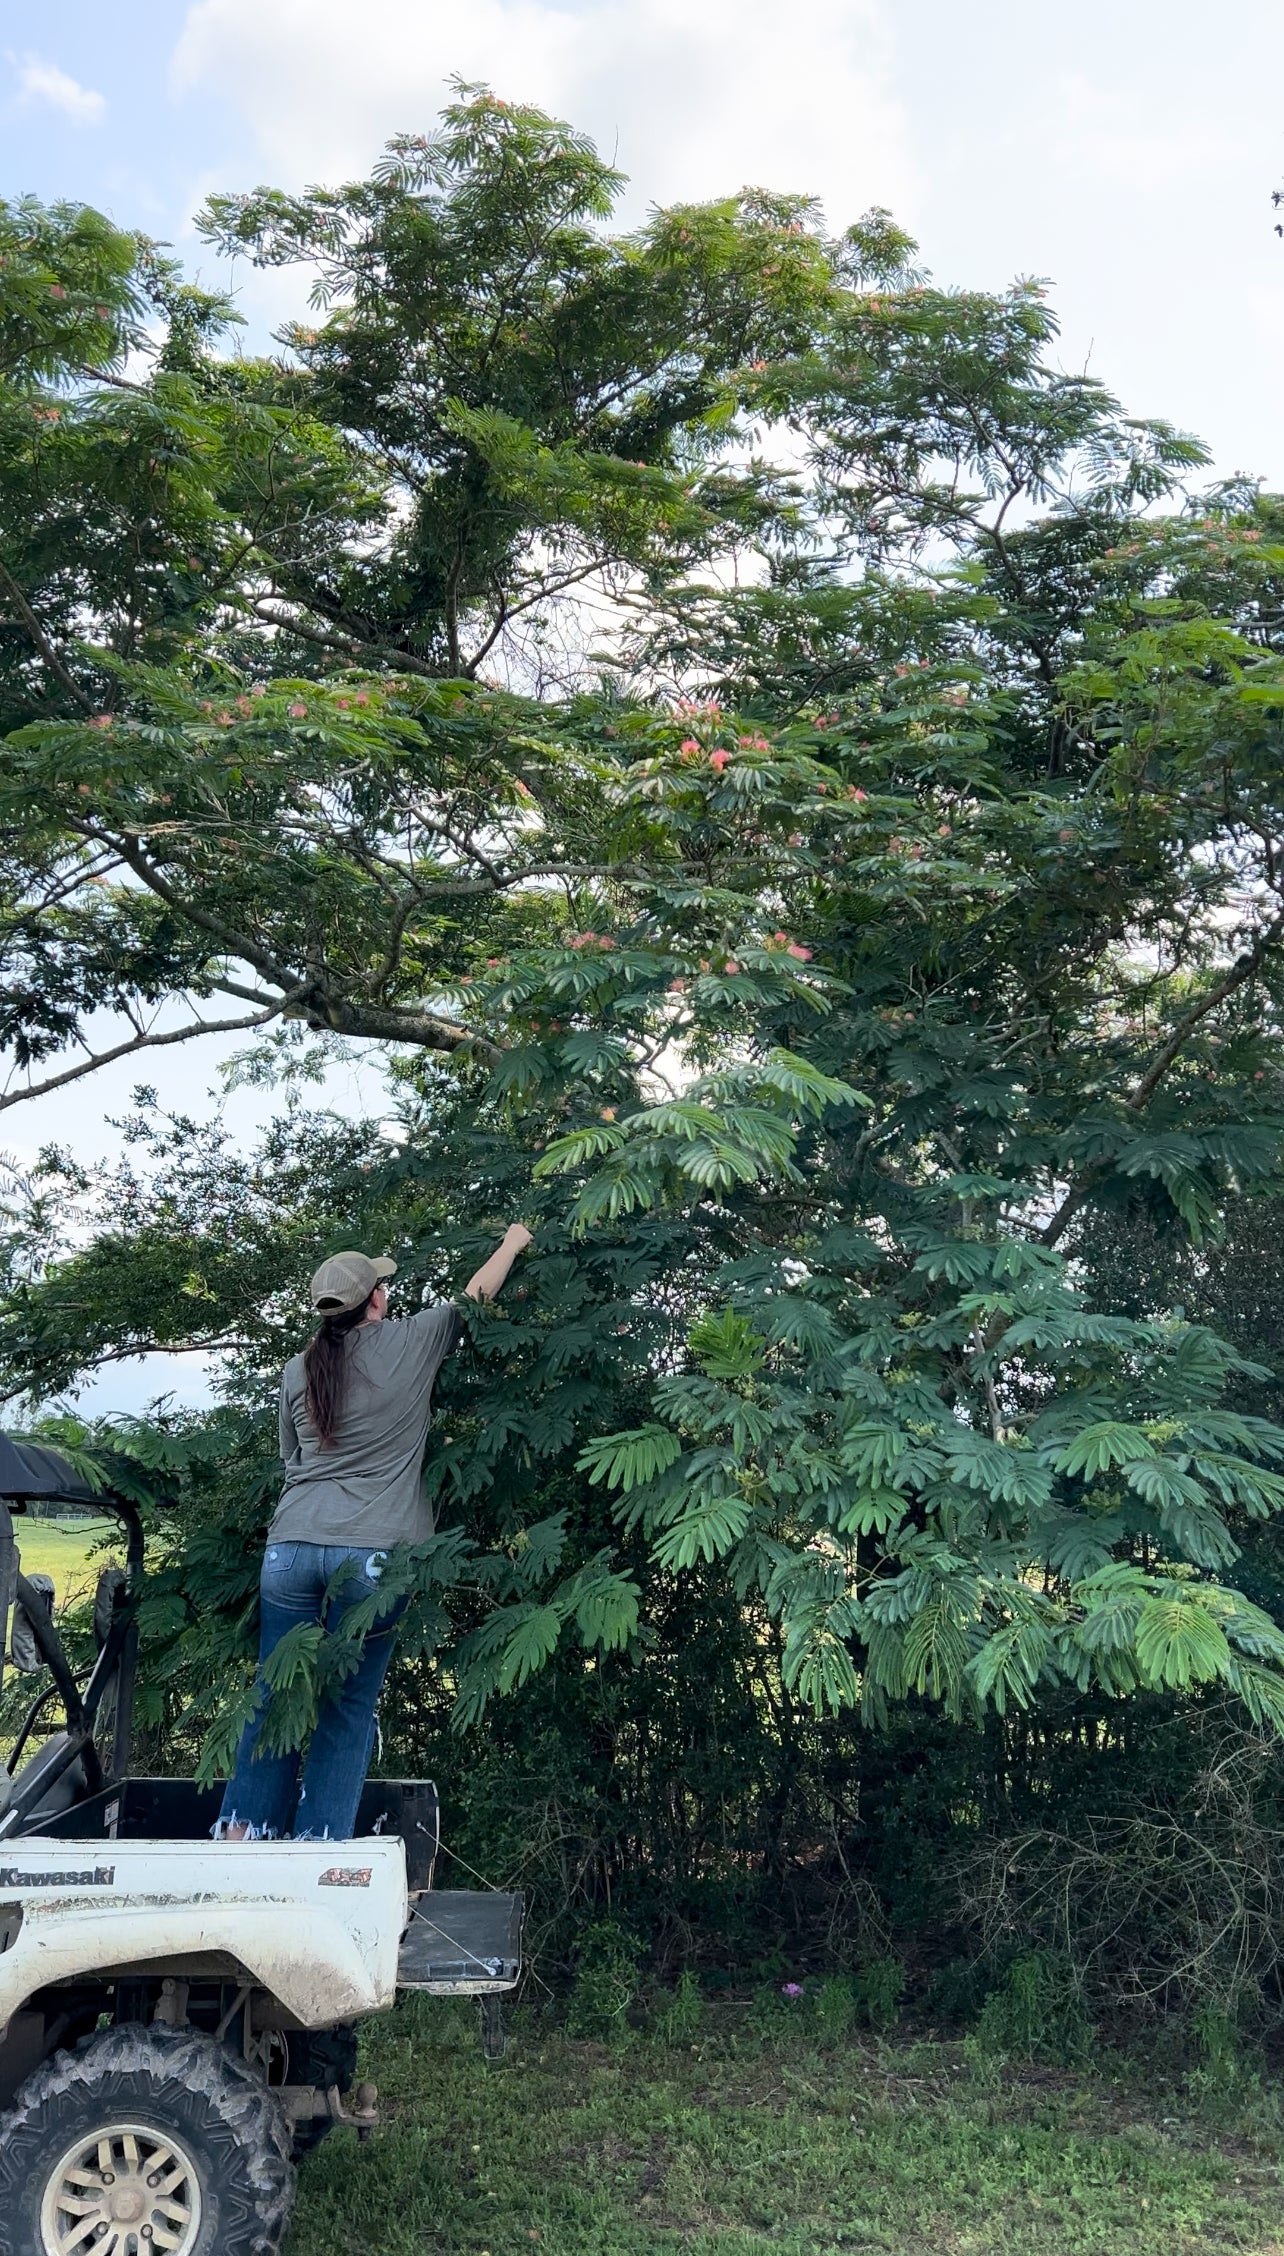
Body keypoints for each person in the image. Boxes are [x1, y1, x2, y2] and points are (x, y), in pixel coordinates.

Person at [217, 1226, 533, 1842]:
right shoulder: (414, 1341)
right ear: (377, 1299)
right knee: (348, 1705)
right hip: (375, 1554)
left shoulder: (296, 1369)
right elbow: (476, 1296)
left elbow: (293, 1461)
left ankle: (239, 1838)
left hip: (290, 1549)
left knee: (274, 1693)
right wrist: (513, 1242)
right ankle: (318, 1847)